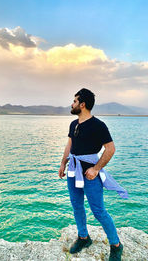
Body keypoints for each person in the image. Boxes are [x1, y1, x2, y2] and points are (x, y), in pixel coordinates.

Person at [58, 88, 124, 261]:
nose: (71, 104)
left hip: (90, 175)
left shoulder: (98, 125)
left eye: (74, 101)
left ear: (83, 104)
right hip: (73, 171)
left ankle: (116, 245)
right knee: (77, 205)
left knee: (98, 211)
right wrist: (63, 163)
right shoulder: (74, 124)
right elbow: (69, 145)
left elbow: (110, 149)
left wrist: (96, 169)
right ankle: (83, 237)